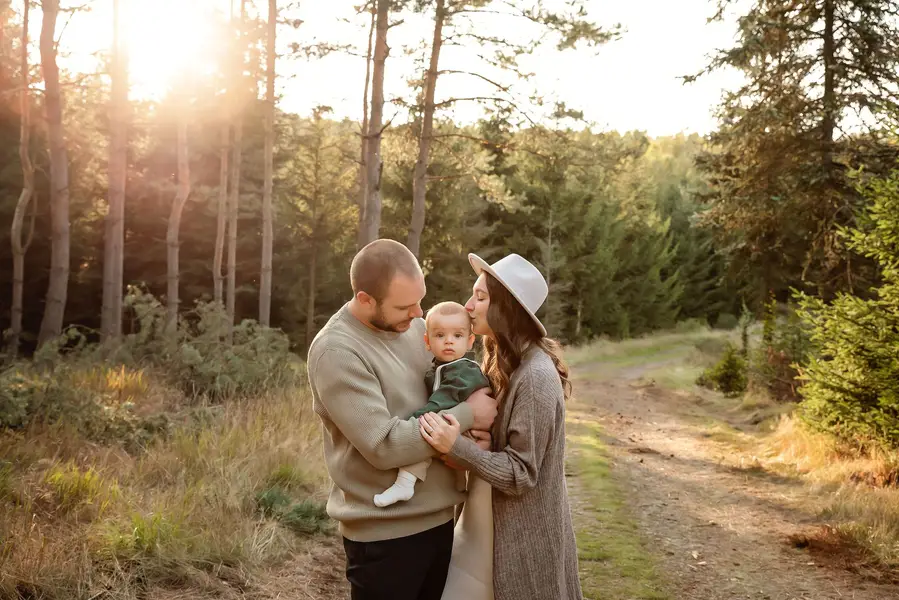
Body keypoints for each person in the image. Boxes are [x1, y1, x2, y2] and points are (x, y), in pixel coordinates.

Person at [306, 239, 497, 600]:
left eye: (420, 301)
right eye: (405, 306)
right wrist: (472, 413)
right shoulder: (337, 352)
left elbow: (447, 390)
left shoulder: (414, 329)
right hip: (386, 540)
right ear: (365, 300)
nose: (418, 314)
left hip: (441, 520)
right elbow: (385, 446)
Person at [420, 252, 583, 600]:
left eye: (480, 296)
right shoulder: (500, 361)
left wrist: (457, 447)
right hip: (484, 524)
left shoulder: (536, 377)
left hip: (522, 536)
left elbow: (521, 473)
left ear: (506, 306)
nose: (468, 305)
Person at [374, 301, 491, 508]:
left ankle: (405, 482)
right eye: (440, 335)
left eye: (457, 336)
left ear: (470, 341)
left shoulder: (463, 371)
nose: (449, 342)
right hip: (459, 427)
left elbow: (442, 401)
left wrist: (416, 420)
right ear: (427, 342)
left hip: (469, 433)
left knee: (428, 435)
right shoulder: (441, 367)